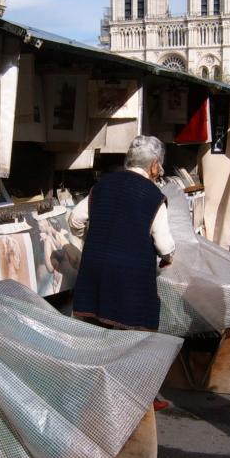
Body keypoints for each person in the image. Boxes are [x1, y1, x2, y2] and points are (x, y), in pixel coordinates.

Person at [70, 135, 175, 411]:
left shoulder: (102, 185)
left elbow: (76, 220)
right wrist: (168, 257)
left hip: (96, 266)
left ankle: (92, 389)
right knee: (136, 330)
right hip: (132, 274)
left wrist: (90, 239)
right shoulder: (154, 195)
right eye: (160, 165)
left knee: (98, 329)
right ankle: (140, 395)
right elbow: (163, 241)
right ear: (154, 166)